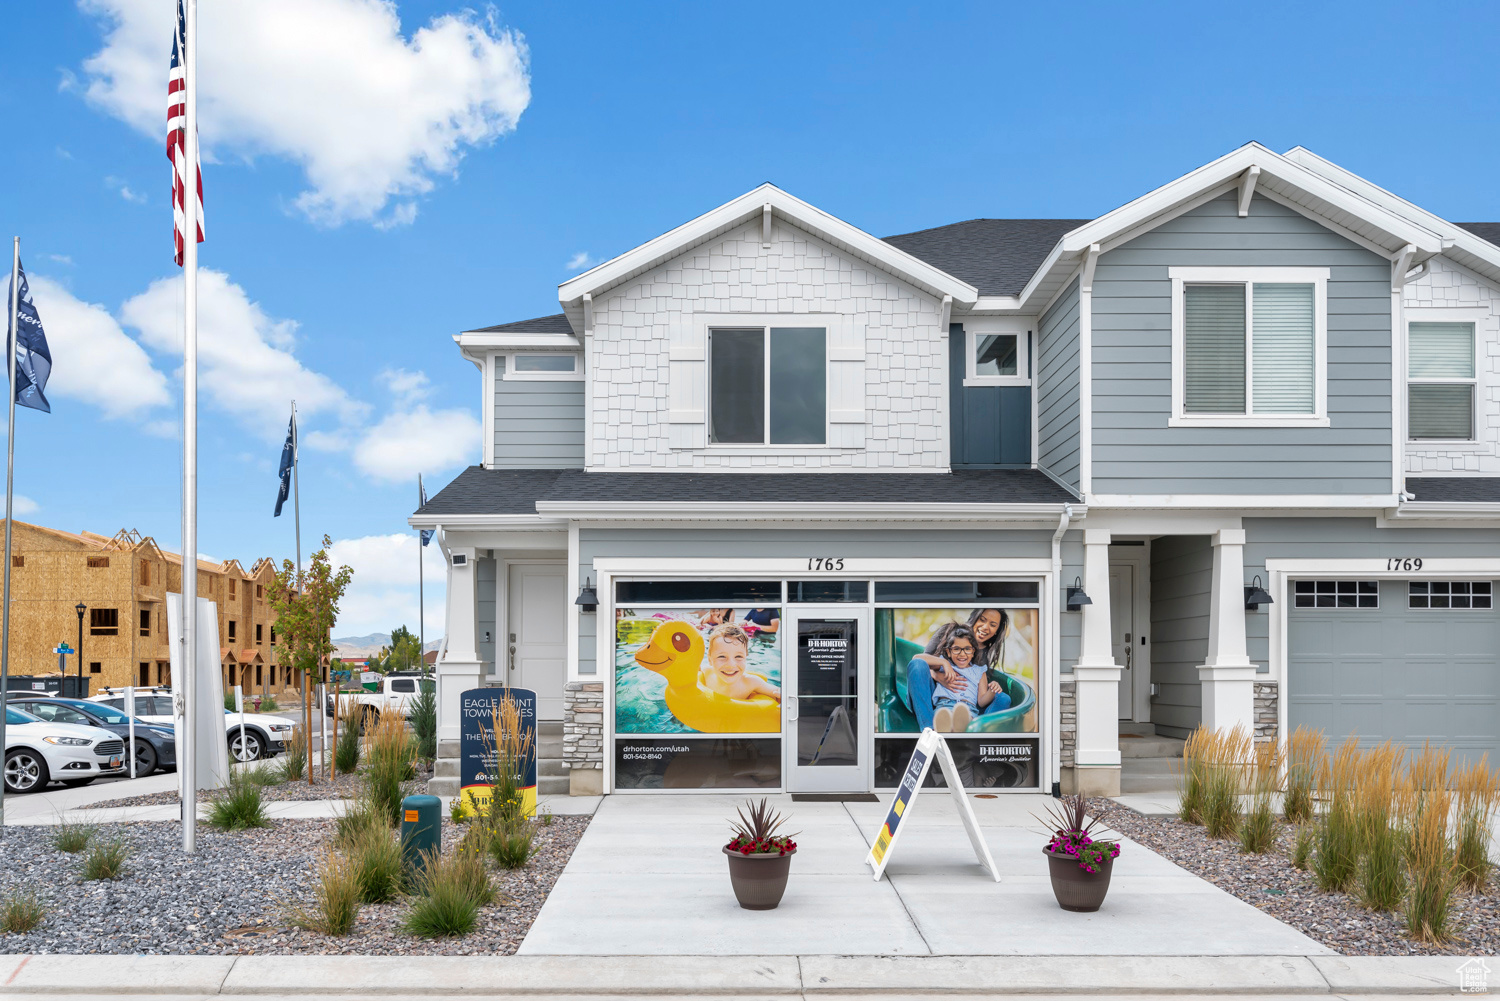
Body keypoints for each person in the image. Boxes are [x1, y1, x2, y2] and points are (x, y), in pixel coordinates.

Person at [903, 609, 1014, 730]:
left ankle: (976, 730)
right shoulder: (948, 632)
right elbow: (922, 666)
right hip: (932, 699)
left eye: (993, 625)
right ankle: (929, 728)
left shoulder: (983, 659)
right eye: (982, 620)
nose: (986, 627)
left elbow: (981, 696)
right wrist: (941, 673)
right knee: (918, 664)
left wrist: (992, 688)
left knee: (1003, 698)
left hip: (967, 705)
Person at [699, 623, 780, 702]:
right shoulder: (707, 673)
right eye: (722, 656)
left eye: (738, 657)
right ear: (710, 659)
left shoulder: (751, 682)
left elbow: (776, 691)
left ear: (746, 657)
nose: (731, 665)